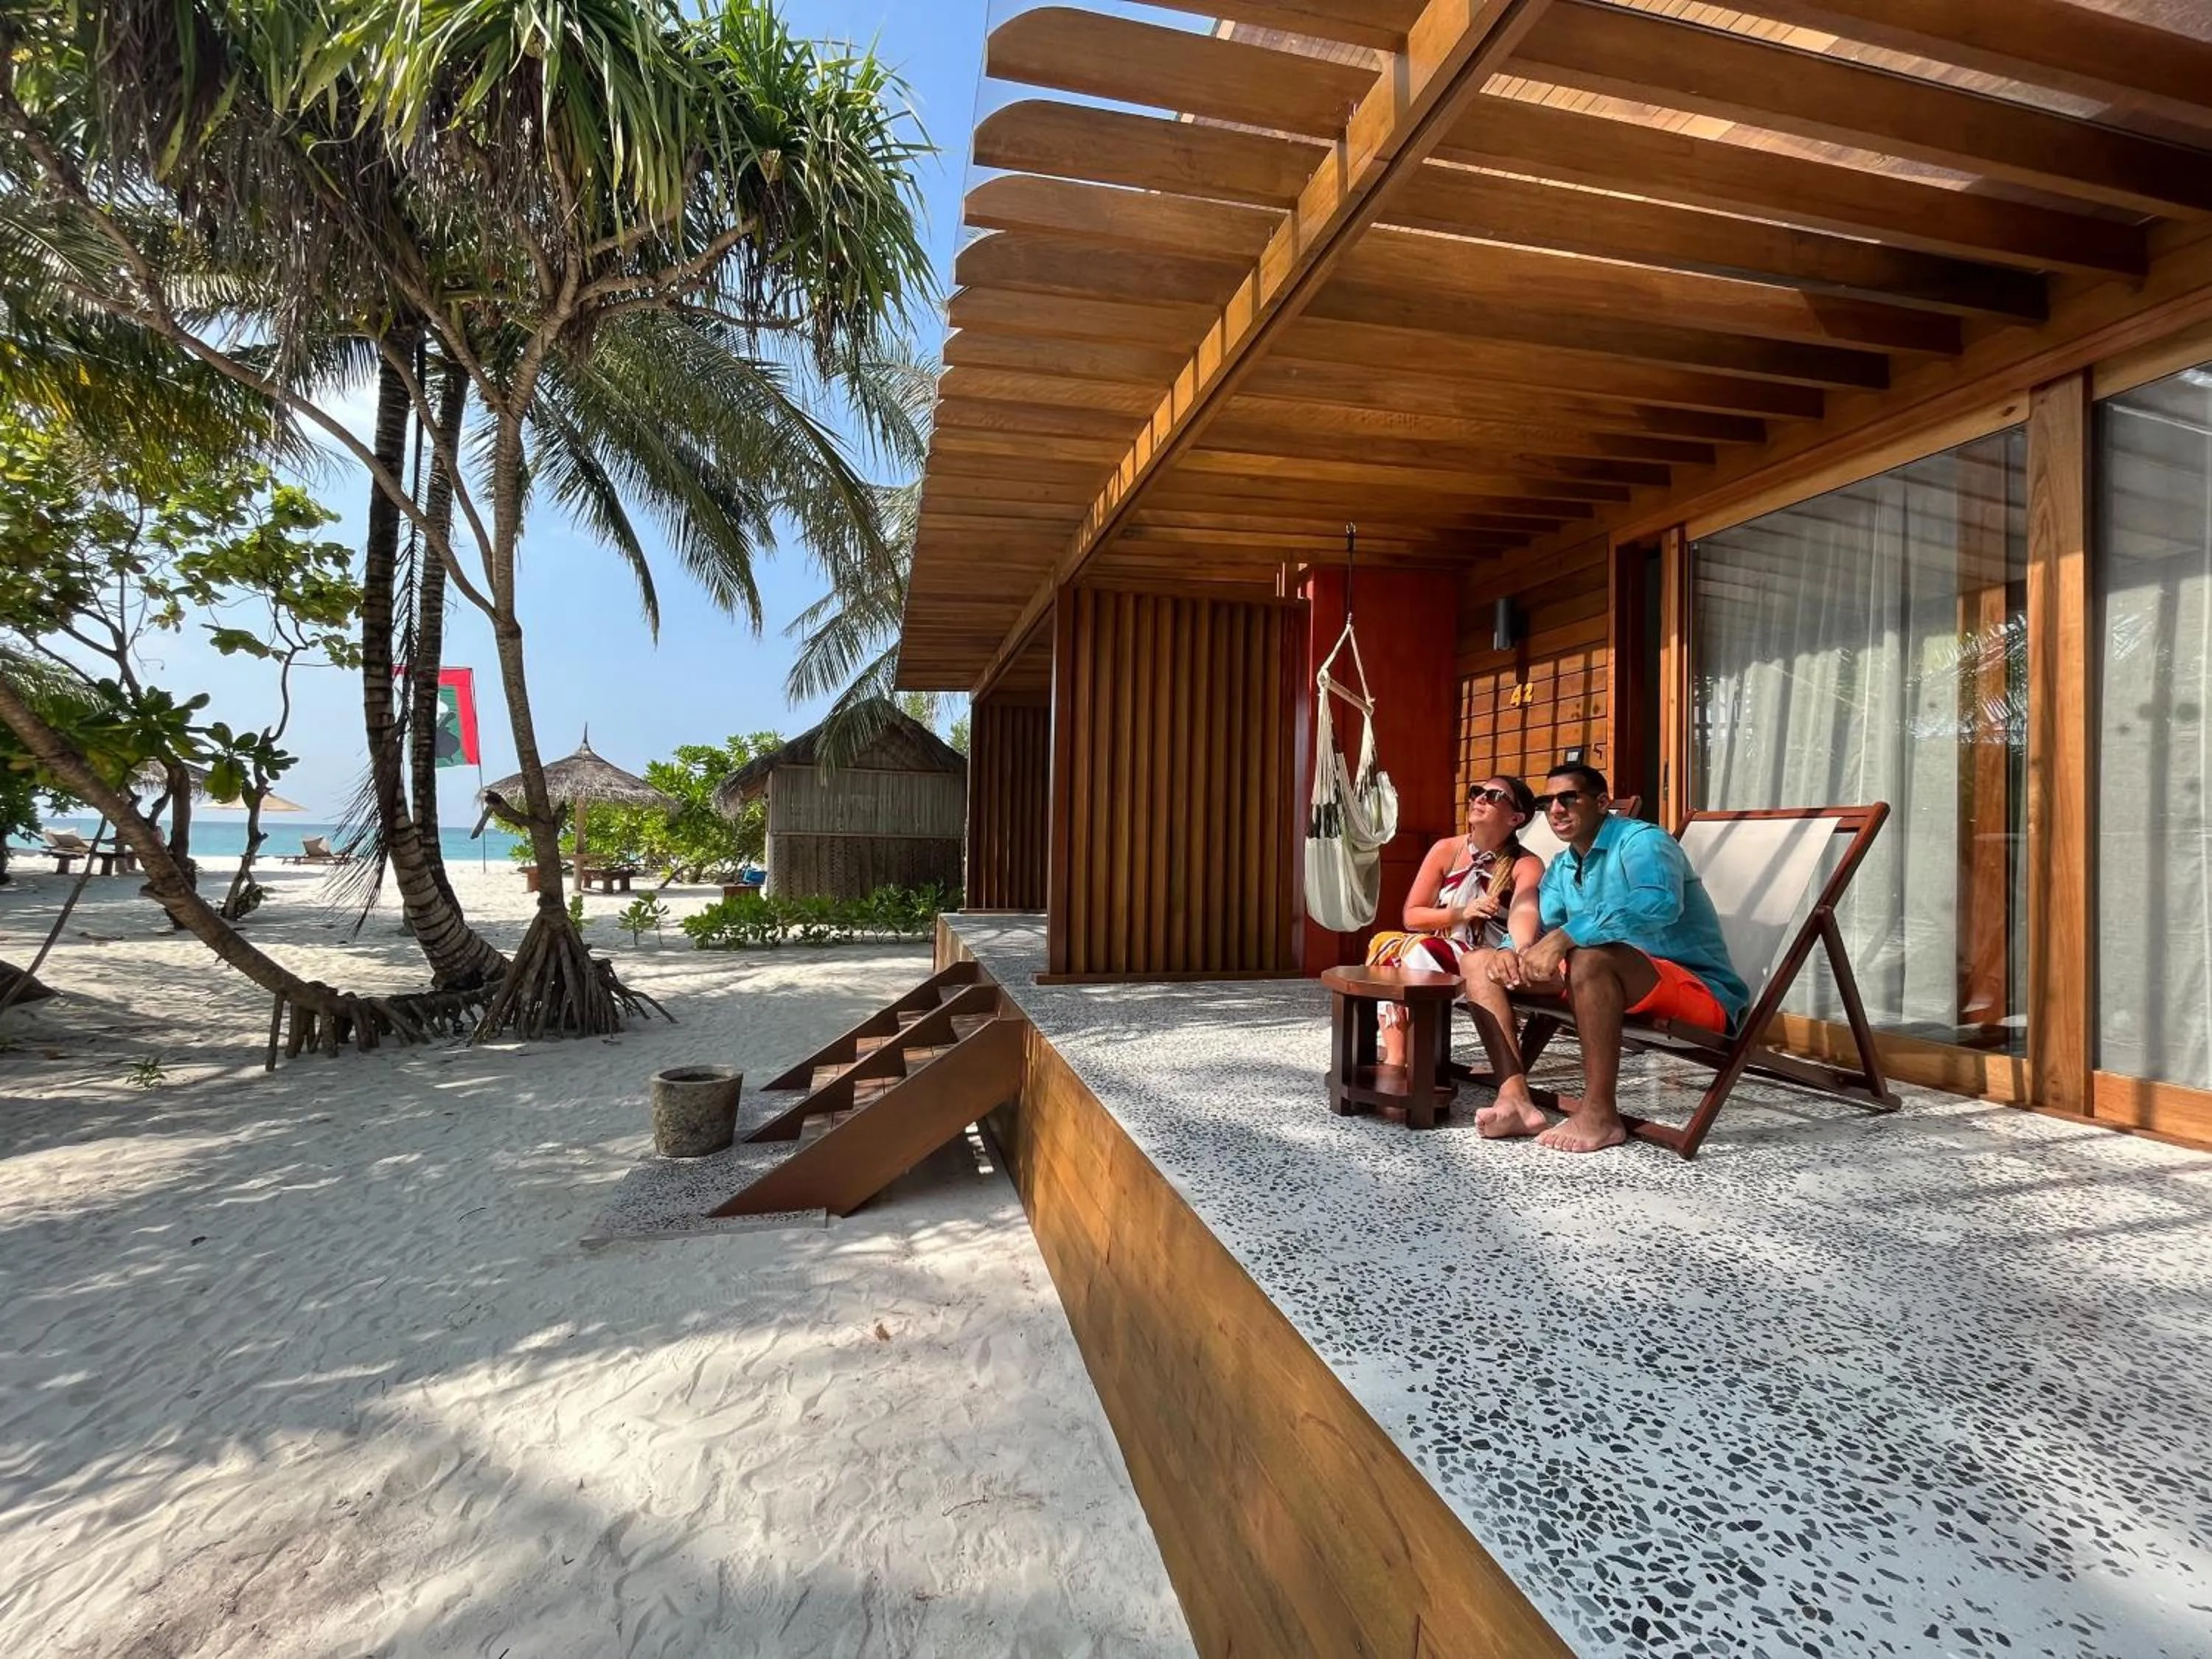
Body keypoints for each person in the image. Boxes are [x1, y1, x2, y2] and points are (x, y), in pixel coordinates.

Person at [1470, 764, 1749, 1153]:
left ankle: (1601, 1115)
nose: (1556, 810)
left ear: (1602, 803)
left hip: (1695, 989)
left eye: (1569, 798)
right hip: (1607, 982)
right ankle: (1514, 1098)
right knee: (1479, 963)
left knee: (1589, 957)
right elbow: (1538, 926)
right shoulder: (1564, 866)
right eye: (1548, 802)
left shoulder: (1643, 842)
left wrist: (1568, 936)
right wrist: (1508, 952)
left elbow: (1659, 902)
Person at [1363, 774, 1545, 1071]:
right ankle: (1400, 1058)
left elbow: (1524, 914)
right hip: (1444, 946)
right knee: (1389, 943)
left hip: (1488, 955)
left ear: (1516, 818)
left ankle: (1413, 1061)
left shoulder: (1526, 864)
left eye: (1494, 796)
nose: (1480, 799)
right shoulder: (1447, 850)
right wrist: (1462, 913)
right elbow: (1413, 916)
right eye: (1476, 792)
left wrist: (1521, 950)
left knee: (1419, 951)